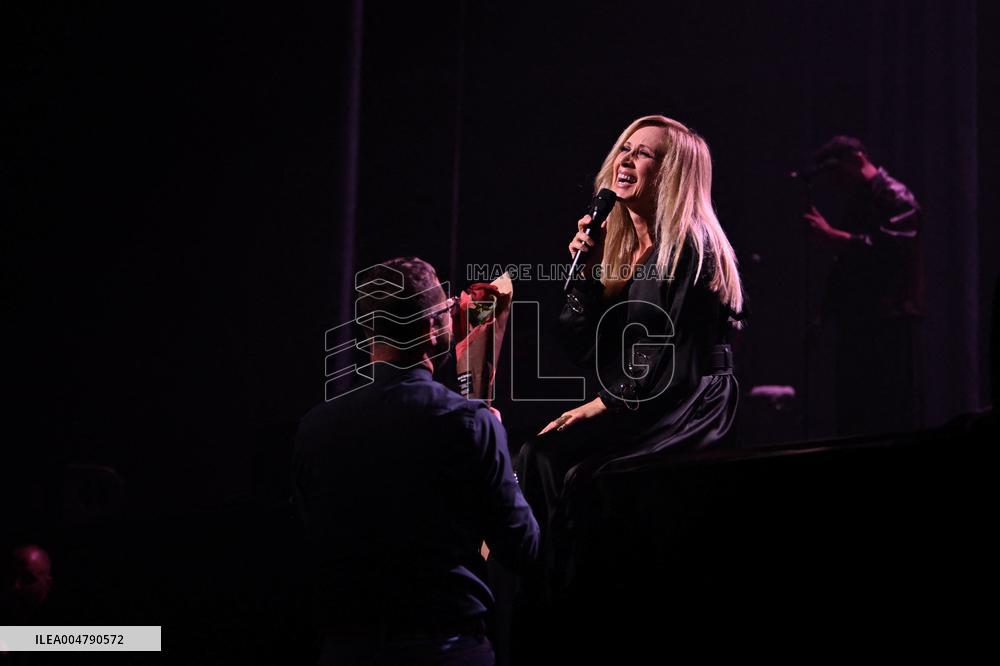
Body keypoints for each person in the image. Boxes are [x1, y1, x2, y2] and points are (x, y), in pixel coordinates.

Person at [514, 115, 745, 615]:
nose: (627, 159)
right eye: (625, 147)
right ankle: (533, 595)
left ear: (671, 174)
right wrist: (584, 274)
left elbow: (669, 349)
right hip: (644, 386)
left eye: (644, 154)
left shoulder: (688, 246)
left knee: (558, 462)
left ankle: (561, 600)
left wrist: (605, 404)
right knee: (539, 453)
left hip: (688, 395)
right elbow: (581, 345)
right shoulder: (624, 248)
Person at [292, 256, 539, 666]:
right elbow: (522, 549)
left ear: (369, 333)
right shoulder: (469, 423)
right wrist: (502, 456)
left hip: (344, 651)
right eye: (445, 312)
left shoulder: (314, 428)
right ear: (431, 329)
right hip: (446, 650)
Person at [802, 135, 924, 435]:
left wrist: (835, 238)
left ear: (857, 160)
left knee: (888, 416)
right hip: (860, 323)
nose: (835, 183)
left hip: (889, 325)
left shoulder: (896, 197)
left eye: (837, 173)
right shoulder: (861, 199)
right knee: (855, 417)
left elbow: (894, 249)